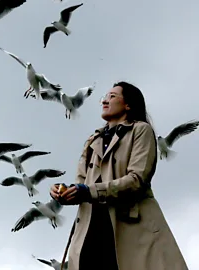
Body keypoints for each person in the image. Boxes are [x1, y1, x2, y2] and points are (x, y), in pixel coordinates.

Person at [49, 81, 189, 270]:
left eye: (112, 96)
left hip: (128, 228)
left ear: (128, 105)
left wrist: (87, 191)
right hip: (91, 231)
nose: (105, 101)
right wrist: (64, 193)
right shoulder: (93, 140)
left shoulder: (141, 130)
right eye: (104, 97)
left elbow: (136, 179)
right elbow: (81, 184)